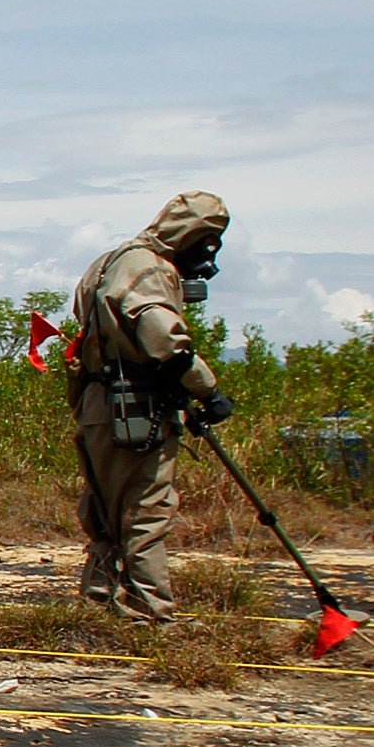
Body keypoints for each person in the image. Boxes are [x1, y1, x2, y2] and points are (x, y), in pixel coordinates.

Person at [68, 191, 233, 622]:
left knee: (106, 509)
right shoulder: (148, 269)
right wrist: (207, 391)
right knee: (145, 510)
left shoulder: (109, 261)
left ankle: (100, 600)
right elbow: (164, 340)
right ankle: (151, 611)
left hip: (99, 403)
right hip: (137, 408)